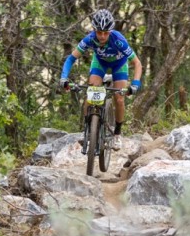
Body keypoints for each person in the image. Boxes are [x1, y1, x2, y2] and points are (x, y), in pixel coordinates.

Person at [59, 9, 143, 150]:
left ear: (110, 31)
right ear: (94, 30)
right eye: (99, 32)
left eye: (106, 32)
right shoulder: (90, 39)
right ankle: (88, 129)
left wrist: (135, 84)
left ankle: (117, 134)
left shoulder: (119, 41)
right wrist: (63, 77)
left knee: (119, 98)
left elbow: (137, 63)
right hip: (100, 64)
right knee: (91, 92)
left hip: (119, 65)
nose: (102, 36)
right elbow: (71, 58)